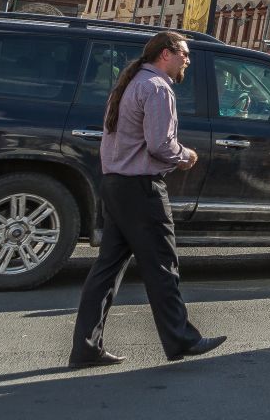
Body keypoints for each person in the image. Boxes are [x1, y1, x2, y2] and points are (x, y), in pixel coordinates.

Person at [70, 31, 224, 367]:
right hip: (141, 189)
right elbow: (160, 145)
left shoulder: (129, 82)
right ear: (166, 54)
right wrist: (187, 156)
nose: (187, 59)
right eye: (184, 53)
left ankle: (85, 347)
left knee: (107, 270)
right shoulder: (156, 88)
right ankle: (182, 339)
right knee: (162, 267)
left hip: (116, 184)